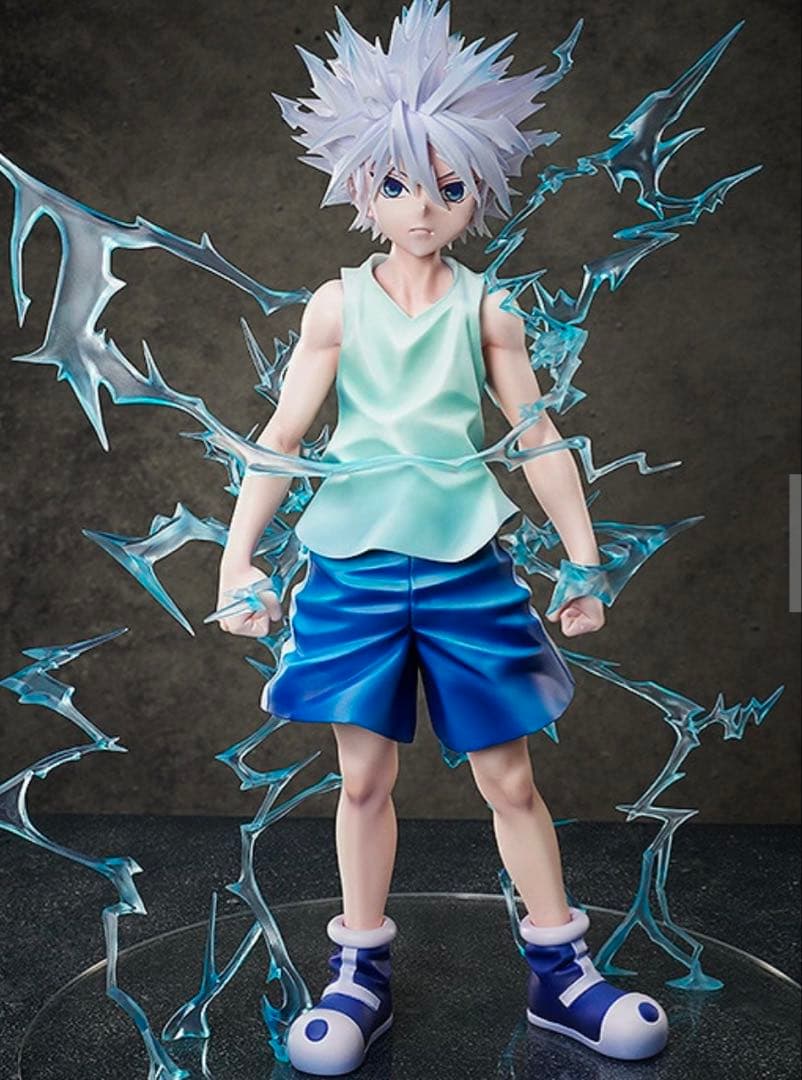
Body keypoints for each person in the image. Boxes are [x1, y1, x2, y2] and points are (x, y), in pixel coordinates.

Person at [216, 2, 669, 1072]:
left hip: (467, 566)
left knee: (508, 778)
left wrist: (585, 559)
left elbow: (537, 436)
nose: (420, 209)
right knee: (362, 780)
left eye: (447, 187)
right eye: (397, 185)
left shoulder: (489, 310)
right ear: (361, 189)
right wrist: (236, 560)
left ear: (477, 192)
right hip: (354, 569)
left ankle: (561, 972)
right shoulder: (336, 307)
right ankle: (357, 969)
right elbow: (281, 438)